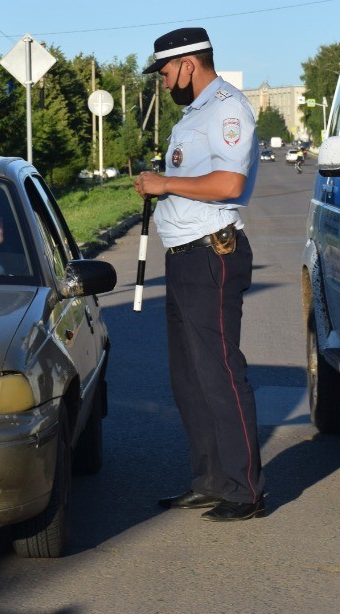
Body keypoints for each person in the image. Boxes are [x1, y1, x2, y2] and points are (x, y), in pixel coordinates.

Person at [132, 26, 265, 522]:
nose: (163, 84)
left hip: (212, 253)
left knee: (221, 375)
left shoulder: (227, 108)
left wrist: (164, 182)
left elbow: (229, 182)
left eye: (165, 73)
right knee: (189, 378)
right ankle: (210, 480)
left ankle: (245, 490)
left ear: (188, 64)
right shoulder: (197, 111)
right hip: (185, 255)